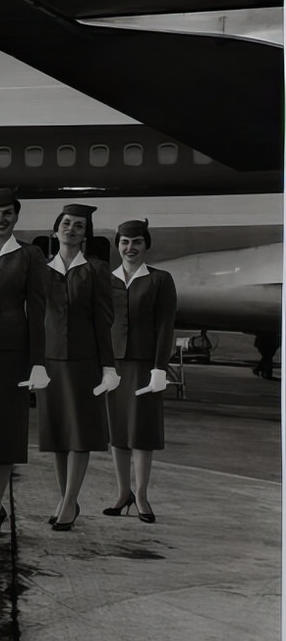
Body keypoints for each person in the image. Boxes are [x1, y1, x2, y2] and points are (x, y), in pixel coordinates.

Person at [0, 187, 48, 539]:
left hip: (14, 355)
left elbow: (39, 311)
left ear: (16, 216)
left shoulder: (30, 256)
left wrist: (37, 362)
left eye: (7, 213)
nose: (0, 219)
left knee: (5, 435)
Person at [39, 203, 117, 531]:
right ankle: (65, 498)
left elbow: (104, 320)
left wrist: (108, 366)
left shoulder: (97, 271)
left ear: (85, 236)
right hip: (49, 362)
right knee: (58, 435)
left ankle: (70, 502)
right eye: (66, 224)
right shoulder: (41, 270)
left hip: (84, 363)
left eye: (79, 226)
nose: (71, 229)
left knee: (79, 434)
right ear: (56, 230)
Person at [104, 219, 177, 524]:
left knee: (142, 432)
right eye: (124, 242)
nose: (130, 248)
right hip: (115, 365)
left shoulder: (160, 280)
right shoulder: (107, 280)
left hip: (146, 366)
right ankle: (123, 494)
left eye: (136, 242)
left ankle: (142, 495)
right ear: (117, 245)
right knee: (118, 432)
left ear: (146, 246)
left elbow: (165, 326)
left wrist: (160, 368)